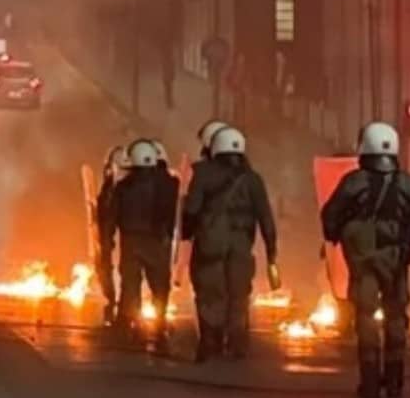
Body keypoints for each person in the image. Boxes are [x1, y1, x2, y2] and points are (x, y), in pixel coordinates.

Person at [321, 122, 410, 398]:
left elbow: (331, 215)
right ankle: (394, 381)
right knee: (396, 316)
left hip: (363, 261)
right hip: (396, 261)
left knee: (365, 316)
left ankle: (369, 381)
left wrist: (334, 235)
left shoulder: (353, 182)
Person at [181, 126, 279, 361]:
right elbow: (266, 218)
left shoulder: (202, 174)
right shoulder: (253, 180)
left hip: (209, 244)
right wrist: (271, 254)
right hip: (241, 247)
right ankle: (237, 344)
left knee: (209, 292)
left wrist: (187, 233)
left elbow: (191, 209)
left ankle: (210, 342)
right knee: (239, 294)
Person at [110, 139, 179, 353]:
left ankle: (133, 329)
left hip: (131, 242)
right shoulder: (168, 185)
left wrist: (108, 239)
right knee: (160, 288)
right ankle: (159, 329)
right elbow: (174, 212)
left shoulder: (123, 187)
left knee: (130, 287)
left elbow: (112, 215)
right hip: (157, 243)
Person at [94, 145, 130, 326]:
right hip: (114, 236)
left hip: (127, 236)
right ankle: (118, 308)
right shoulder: (111, 188)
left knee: (129, 273)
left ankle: (124, 312)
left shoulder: (121, 189)